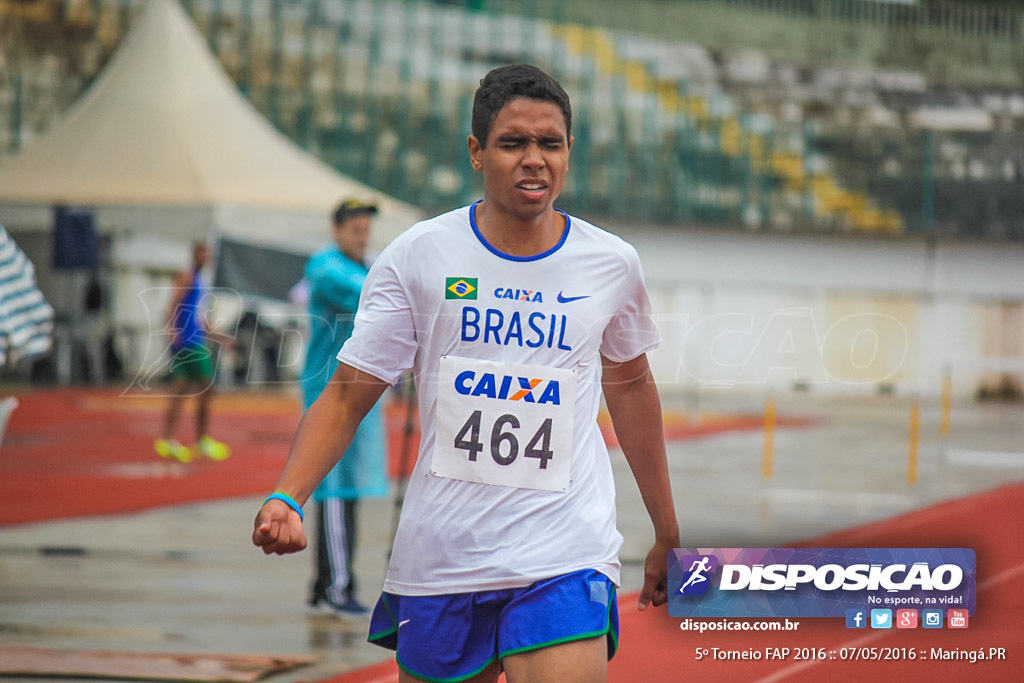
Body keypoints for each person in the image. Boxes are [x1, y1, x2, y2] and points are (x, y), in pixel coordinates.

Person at [253, 63, 679, 683]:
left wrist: (667, 530)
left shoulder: (610, 264)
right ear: (477, 153)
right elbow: (347, 395)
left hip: (566, 549)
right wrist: (287, 494)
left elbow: (633, 388)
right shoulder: (420, 256)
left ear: (569, 153)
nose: (534, 159)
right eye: (513, 143)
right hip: (445, 553)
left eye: (550, 144)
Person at [300, 198, 389, 617]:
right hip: (329, 396)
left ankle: (331, 583)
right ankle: (335, 587)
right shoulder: (325, 267)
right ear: (336, 230)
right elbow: (369, 294)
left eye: (366, 228)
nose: (362, 235)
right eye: (355, 228)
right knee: (334, 493)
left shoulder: (365, 267)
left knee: (348, 493)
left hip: (359, 398)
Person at [154, 242, 231, 463]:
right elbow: (174, 303)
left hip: (194, 338)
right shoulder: (188, 276)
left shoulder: (200, 281)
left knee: (181, 389)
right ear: (195, 254)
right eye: (202, 253)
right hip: (189, 342)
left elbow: (199, 315)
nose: (206, 257)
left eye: (208, 253)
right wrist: (170, 329)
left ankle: (168, 439)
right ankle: (200, 440)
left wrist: (218, 336)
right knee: (205, 387)